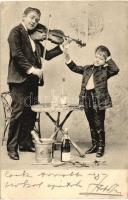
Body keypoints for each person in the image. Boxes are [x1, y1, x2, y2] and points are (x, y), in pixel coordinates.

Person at [7, 7, 64, 160]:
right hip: (19, 81)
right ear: (23, 16)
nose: (34, 22)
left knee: (31, 113)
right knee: (18, 113)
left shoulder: (35, 39)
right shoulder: (15, 32)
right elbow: (17, 55)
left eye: (37, 20)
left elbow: (48, 55)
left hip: (32, 82)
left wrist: (61, 47)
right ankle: (12, 147)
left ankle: (25, 143)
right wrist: (32, 69)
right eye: (32, 18)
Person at [64, 45, 119, 157]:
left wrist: (108, 58)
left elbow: (115, 69)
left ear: (105, 61)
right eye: (96, 57)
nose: (97, 60)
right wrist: (67, 56)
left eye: (101, 58)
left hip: (98, 99)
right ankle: (94, 146)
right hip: (86, 98)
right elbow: (74, 68)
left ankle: (100, 147)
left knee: (99, 124)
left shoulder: (105, 70)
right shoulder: (87, 68)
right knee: (92, 123)